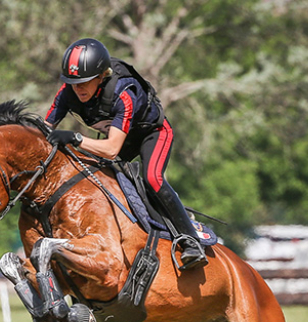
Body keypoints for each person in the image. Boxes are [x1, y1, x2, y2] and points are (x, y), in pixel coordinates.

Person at [44, 37, 207, 269]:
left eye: (84, 81)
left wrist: (76, 138)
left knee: (153, 179)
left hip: (152, 134)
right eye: (73, 82)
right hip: (120, 138)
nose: (78, 88)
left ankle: (191, 239)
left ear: (101, 76)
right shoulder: (67, 93)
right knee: (90, 179)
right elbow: (42, 130)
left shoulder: (123, 92)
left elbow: (111, 149)